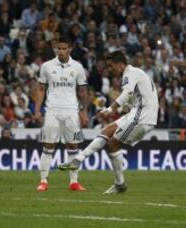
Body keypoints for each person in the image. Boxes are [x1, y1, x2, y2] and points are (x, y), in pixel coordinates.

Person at [58, 51, 159, 194]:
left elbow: (127, 94)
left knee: (112, 143)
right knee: (106, 131)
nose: (110, 69)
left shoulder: (129, 73)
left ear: (120, 64)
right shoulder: (136, 73)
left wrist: (110, 109)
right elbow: (136, 96)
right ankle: (78, 160)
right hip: (138, 112)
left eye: (111, 66)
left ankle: (120, 184)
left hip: (142, 116)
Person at [35, 37, 89, 192]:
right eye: (58, 48)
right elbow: (40, 89)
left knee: (73, 145)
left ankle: (74, 182)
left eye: (64, 48)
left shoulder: (78, 67)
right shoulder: (46, 66)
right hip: (52, 110)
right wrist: (37, 110)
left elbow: (83, 91)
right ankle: (43, 181)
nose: (61, 51)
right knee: (48, 145)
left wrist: (84, 111)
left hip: (72, 110)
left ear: (69, 49)